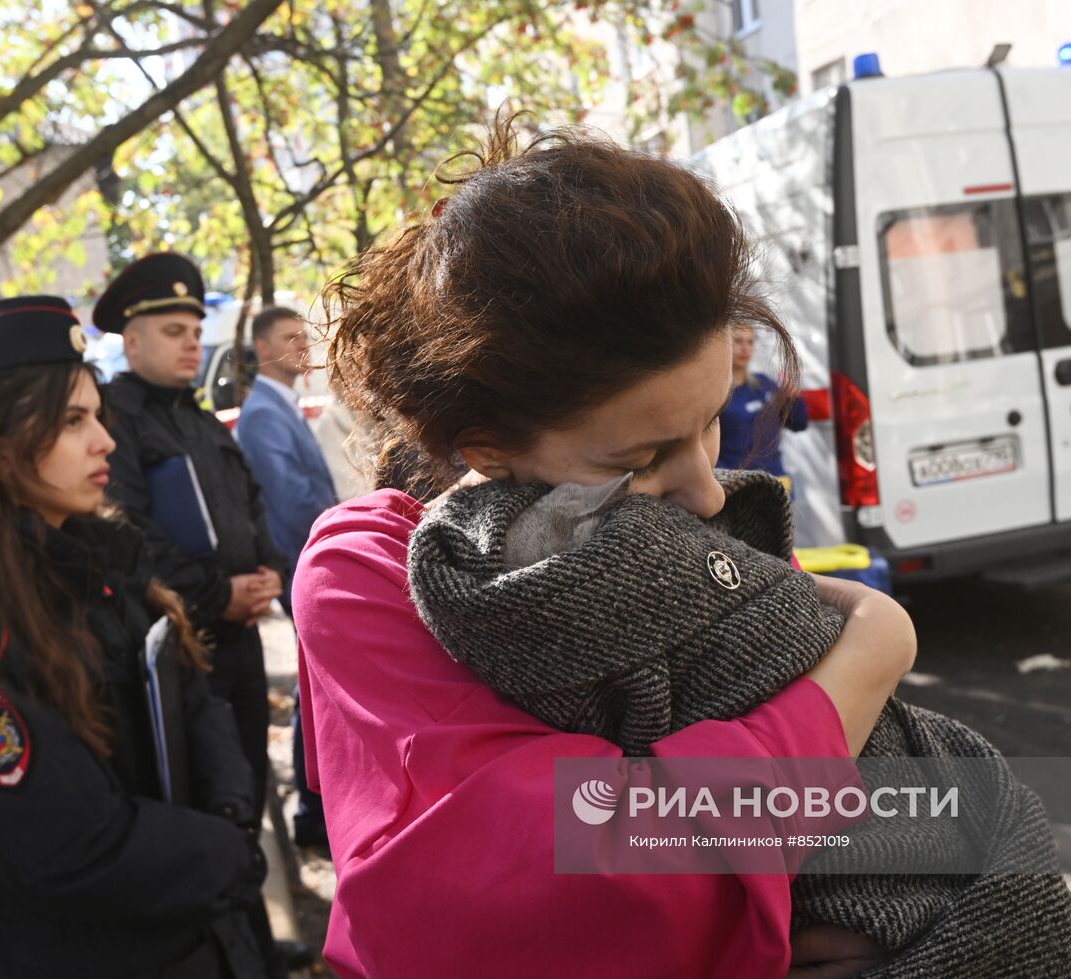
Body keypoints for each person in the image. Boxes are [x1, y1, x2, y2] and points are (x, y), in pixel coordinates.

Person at [292, 114, 918, 978]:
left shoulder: (677, 523)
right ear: (483, 442)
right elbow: (586, 871)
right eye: (640, 457)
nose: (706, 491)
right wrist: (869, 659)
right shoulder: (367, 571)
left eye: (709, 425)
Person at [0, 297, 270, 977]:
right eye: (73, 419)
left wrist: (228, 815)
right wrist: (226, 853)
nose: (104, 439)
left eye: (96, 415)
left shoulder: (99, 555)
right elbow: (70, 848)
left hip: (200, 930)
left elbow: (194, 697)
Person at [93, 255, 306, 975]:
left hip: (240, 641)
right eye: (173, 330)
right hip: (181, 648)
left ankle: (258, 936)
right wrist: (218, 593)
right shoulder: (116, 419)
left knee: (245, 785)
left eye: (195, 329)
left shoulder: (195, 413)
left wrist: (268, 569)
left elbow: (247, 504)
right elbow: (127, 533)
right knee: (202, 808)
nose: (191, 342)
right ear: (131, 342)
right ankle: (230, 944)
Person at [234, 305, 338, 849]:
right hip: (303, 564)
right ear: (261, 347)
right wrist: (344, 524)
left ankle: (314, 807)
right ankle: (311, 811)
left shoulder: (279, 407)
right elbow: (295, 503)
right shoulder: (262, 415)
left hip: (308, 560)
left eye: (304, 334)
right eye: (289, 337)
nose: (303, 344)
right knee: (312, 689)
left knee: (314, 688)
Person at [716, 323, 809, 476]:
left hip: (775, 480)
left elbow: (799, 423)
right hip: (737, 484)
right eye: (738, 341)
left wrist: (792, 400)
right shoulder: (716, 393)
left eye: (750, 342)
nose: (745, 348)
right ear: (724, 346)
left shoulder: (764, 384)